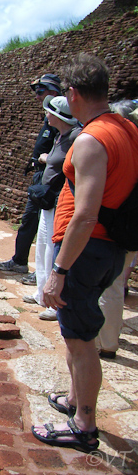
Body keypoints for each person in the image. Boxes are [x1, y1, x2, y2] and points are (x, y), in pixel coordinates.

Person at [32, 54, 138, 453]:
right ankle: (76, 399)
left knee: (80, 340)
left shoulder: (92, 140)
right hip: (108, 246)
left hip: (87, 248)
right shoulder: (126, 128)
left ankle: (83, 424)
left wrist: (59, 269)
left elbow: (86, 213)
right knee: (76, 330)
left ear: (73, 94)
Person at [22, 96, 81, 322]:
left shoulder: (76, 137)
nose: (45, 114)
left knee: (53, 250)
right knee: (43, 246)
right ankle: (41, 292)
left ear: (57, 115)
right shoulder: (61, 136)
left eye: (48, 111)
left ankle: (53, 301)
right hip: (48, 202)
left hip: (61, 201)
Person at [0, 74, 60, 282]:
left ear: (53, 92)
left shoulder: (64, 116)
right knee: (29, 221)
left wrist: (46, 158)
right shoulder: (49, 116)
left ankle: (43, 274)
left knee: (47, 227)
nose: (37, 97)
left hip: (52, 179)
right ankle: (20, 261)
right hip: (40, 176)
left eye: (40, 92)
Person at [95, 99, 138, 358]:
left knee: (109, 284)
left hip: (120, 225)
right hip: (129, 226)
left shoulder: (122, 148)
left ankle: (106, 342)